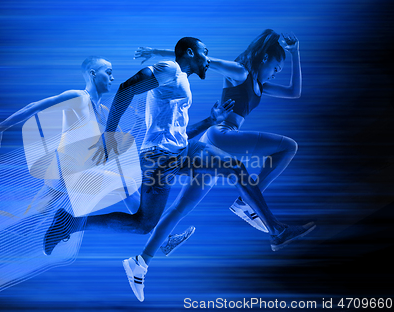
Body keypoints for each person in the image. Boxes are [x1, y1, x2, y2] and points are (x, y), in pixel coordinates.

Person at [42, 38, 314, 302]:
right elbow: (127, 88)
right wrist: (110, 135)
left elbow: (178, 132)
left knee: (228, 171)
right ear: (190, 54)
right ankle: (71, 222)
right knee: (143, 224)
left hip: (180, 151)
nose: (208, 59)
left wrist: (210, 120)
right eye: (204, 52)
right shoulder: (170, 69)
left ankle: (80, 227)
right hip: (159, 158)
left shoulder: (182, 82)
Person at [0, 56, 142, 244]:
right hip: (69, 173)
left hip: (66, 178)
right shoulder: (78, 98)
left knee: (23, 226)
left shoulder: (103, 112)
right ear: (92, 73)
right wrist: (1, 126)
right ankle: (149, 225)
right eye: (108, 71)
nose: (113, 77)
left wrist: (140, 122)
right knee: (127, 184)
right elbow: (35, 106)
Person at [134, 29, 302, 234]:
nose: (276, 73)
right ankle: (245, 203)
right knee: (287, 147)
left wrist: (295, 52)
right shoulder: (240, 72)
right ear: (265, 57)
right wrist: (156, 52)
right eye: (276, 68)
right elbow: (197, 57)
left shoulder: (261, 85)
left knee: (182, 207)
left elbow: (294, 91)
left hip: (215, 139)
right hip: (222, 134)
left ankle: (151, 250)